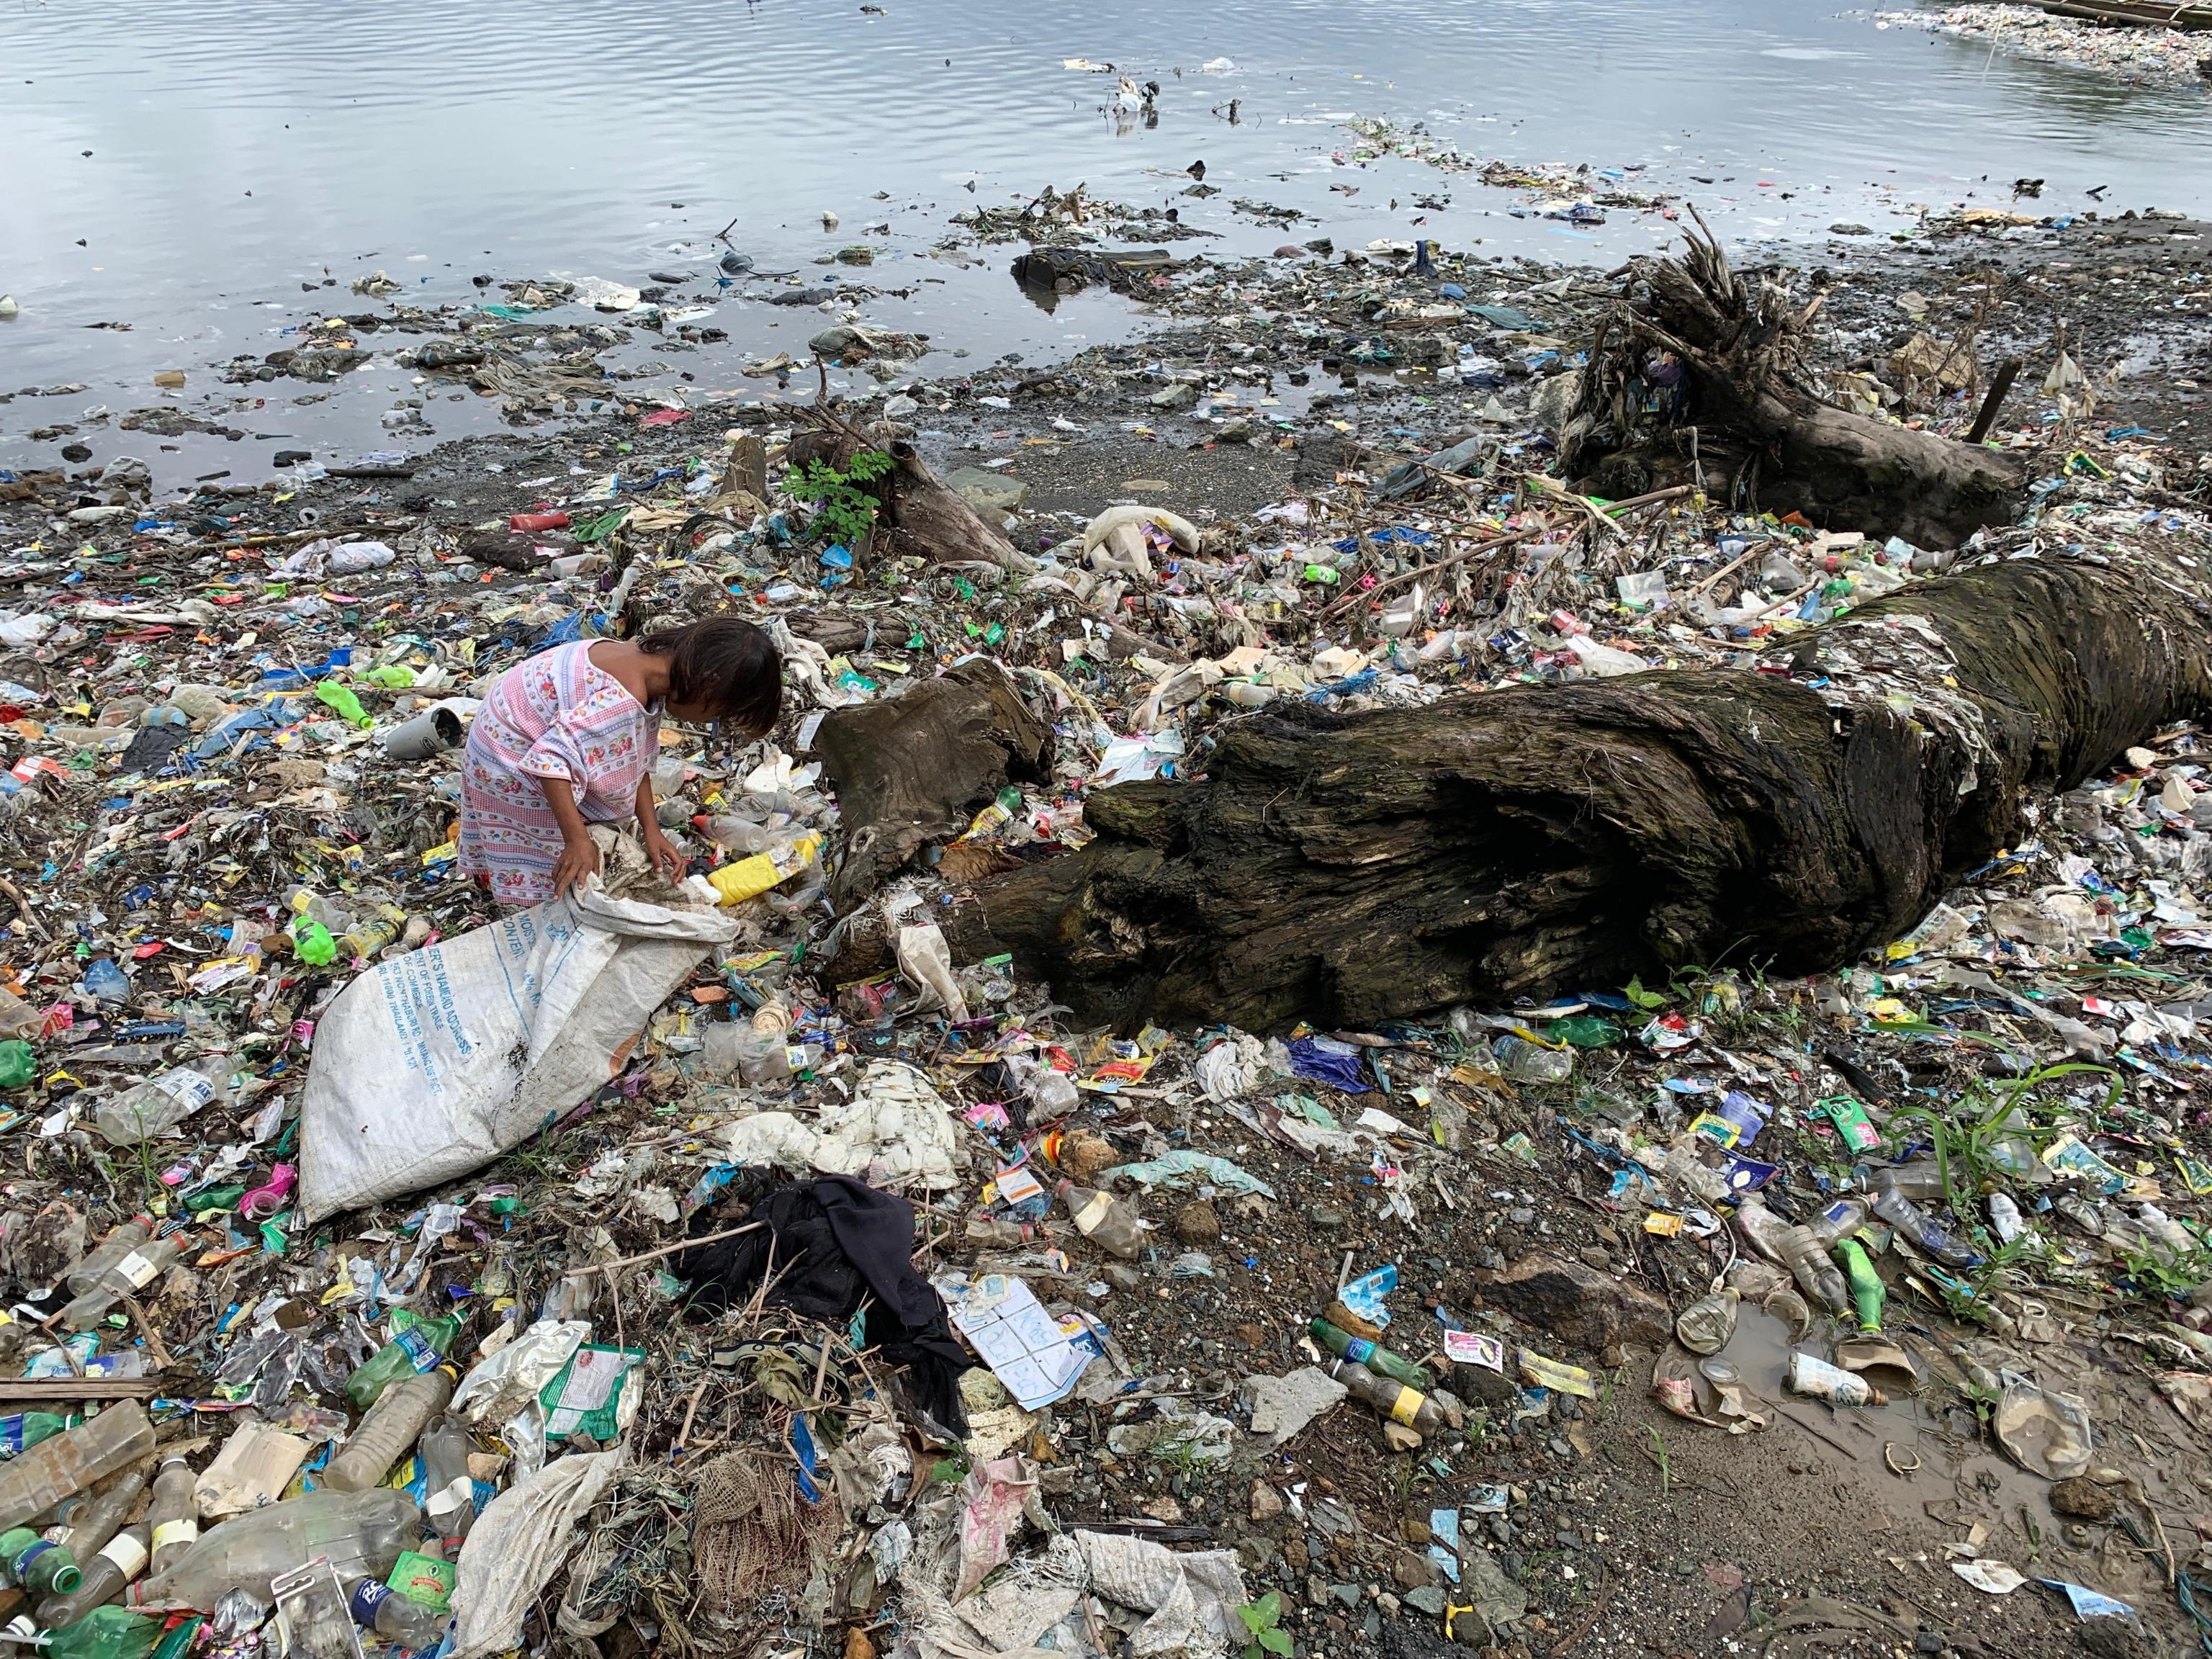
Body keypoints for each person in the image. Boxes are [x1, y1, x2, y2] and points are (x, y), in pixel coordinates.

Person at [457, 619, 782, 907]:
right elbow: (550, 762)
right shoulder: (624, 698)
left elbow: (635, 756)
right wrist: (576, 840)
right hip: (508, 756)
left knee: (580, 834)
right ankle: (540, 908)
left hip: (508, 729)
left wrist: (651, 830)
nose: (710, 720)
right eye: (716, 713)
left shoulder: (641, 660)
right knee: (556, 859)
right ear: (708, 684)